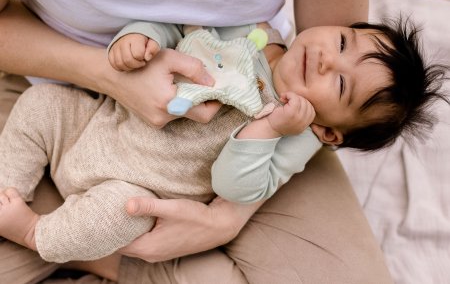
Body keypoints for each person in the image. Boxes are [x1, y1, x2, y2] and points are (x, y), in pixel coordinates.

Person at [0, 0, 449, 282]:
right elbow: (176, 33)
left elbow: (336, 107)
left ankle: (71, 243)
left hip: (153, 185)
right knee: (37, 128)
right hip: (55, 81)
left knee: (121, 215)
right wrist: (112, 69)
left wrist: (225, 217)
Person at [0, 18, 446, 269]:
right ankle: (8, 187)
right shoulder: (251, 35)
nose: (328, 58)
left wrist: (269, 129)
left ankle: (31, 231)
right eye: (343, 41)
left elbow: (235, 187)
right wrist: (140, 39)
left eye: (342, 83)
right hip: (94, 123)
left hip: (130, 188)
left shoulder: (297, 139)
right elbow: (182, 31)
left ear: (330, 132)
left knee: (121, 214)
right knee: (41, 105)